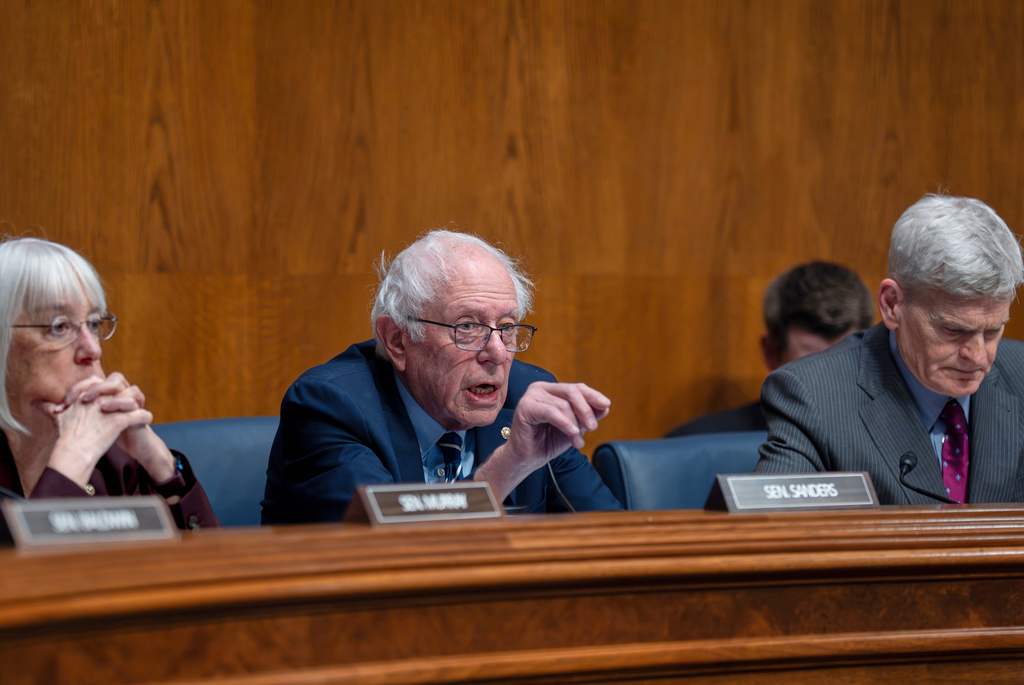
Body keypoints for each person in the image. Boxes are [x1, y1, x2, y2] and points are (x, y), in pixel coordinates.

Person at [262, 230, 622, 523]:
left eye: (507, 327)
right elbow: (393, 556)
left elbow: (612, 540)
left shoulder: (524, 398)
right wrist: (509, 464)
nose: (497, 353)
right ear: (398, 341)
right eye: (467, 327)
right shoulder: (330, 406)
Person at [755, 194, 1024, 505]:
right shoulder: (813, 397)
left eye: (992, 331)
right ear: (892, 304)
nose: (978, 357)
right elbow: (773, 531)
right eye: (954, 330)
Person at [0, 237, 219, 529]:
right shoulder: (88, 451)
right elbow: (22, 574)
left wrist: (162, 467)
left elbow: (208, 566)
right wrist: (74, 460)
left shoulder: (113, 462)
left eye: (93, 324)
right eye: (60, 327)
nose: (93, 349)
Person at [665, 261, 874, 436]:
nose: (830, 382)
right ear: (771, 352)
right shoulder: (692, 448)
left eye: (843, 360)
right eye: (810, 365)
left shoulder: (898, 440)